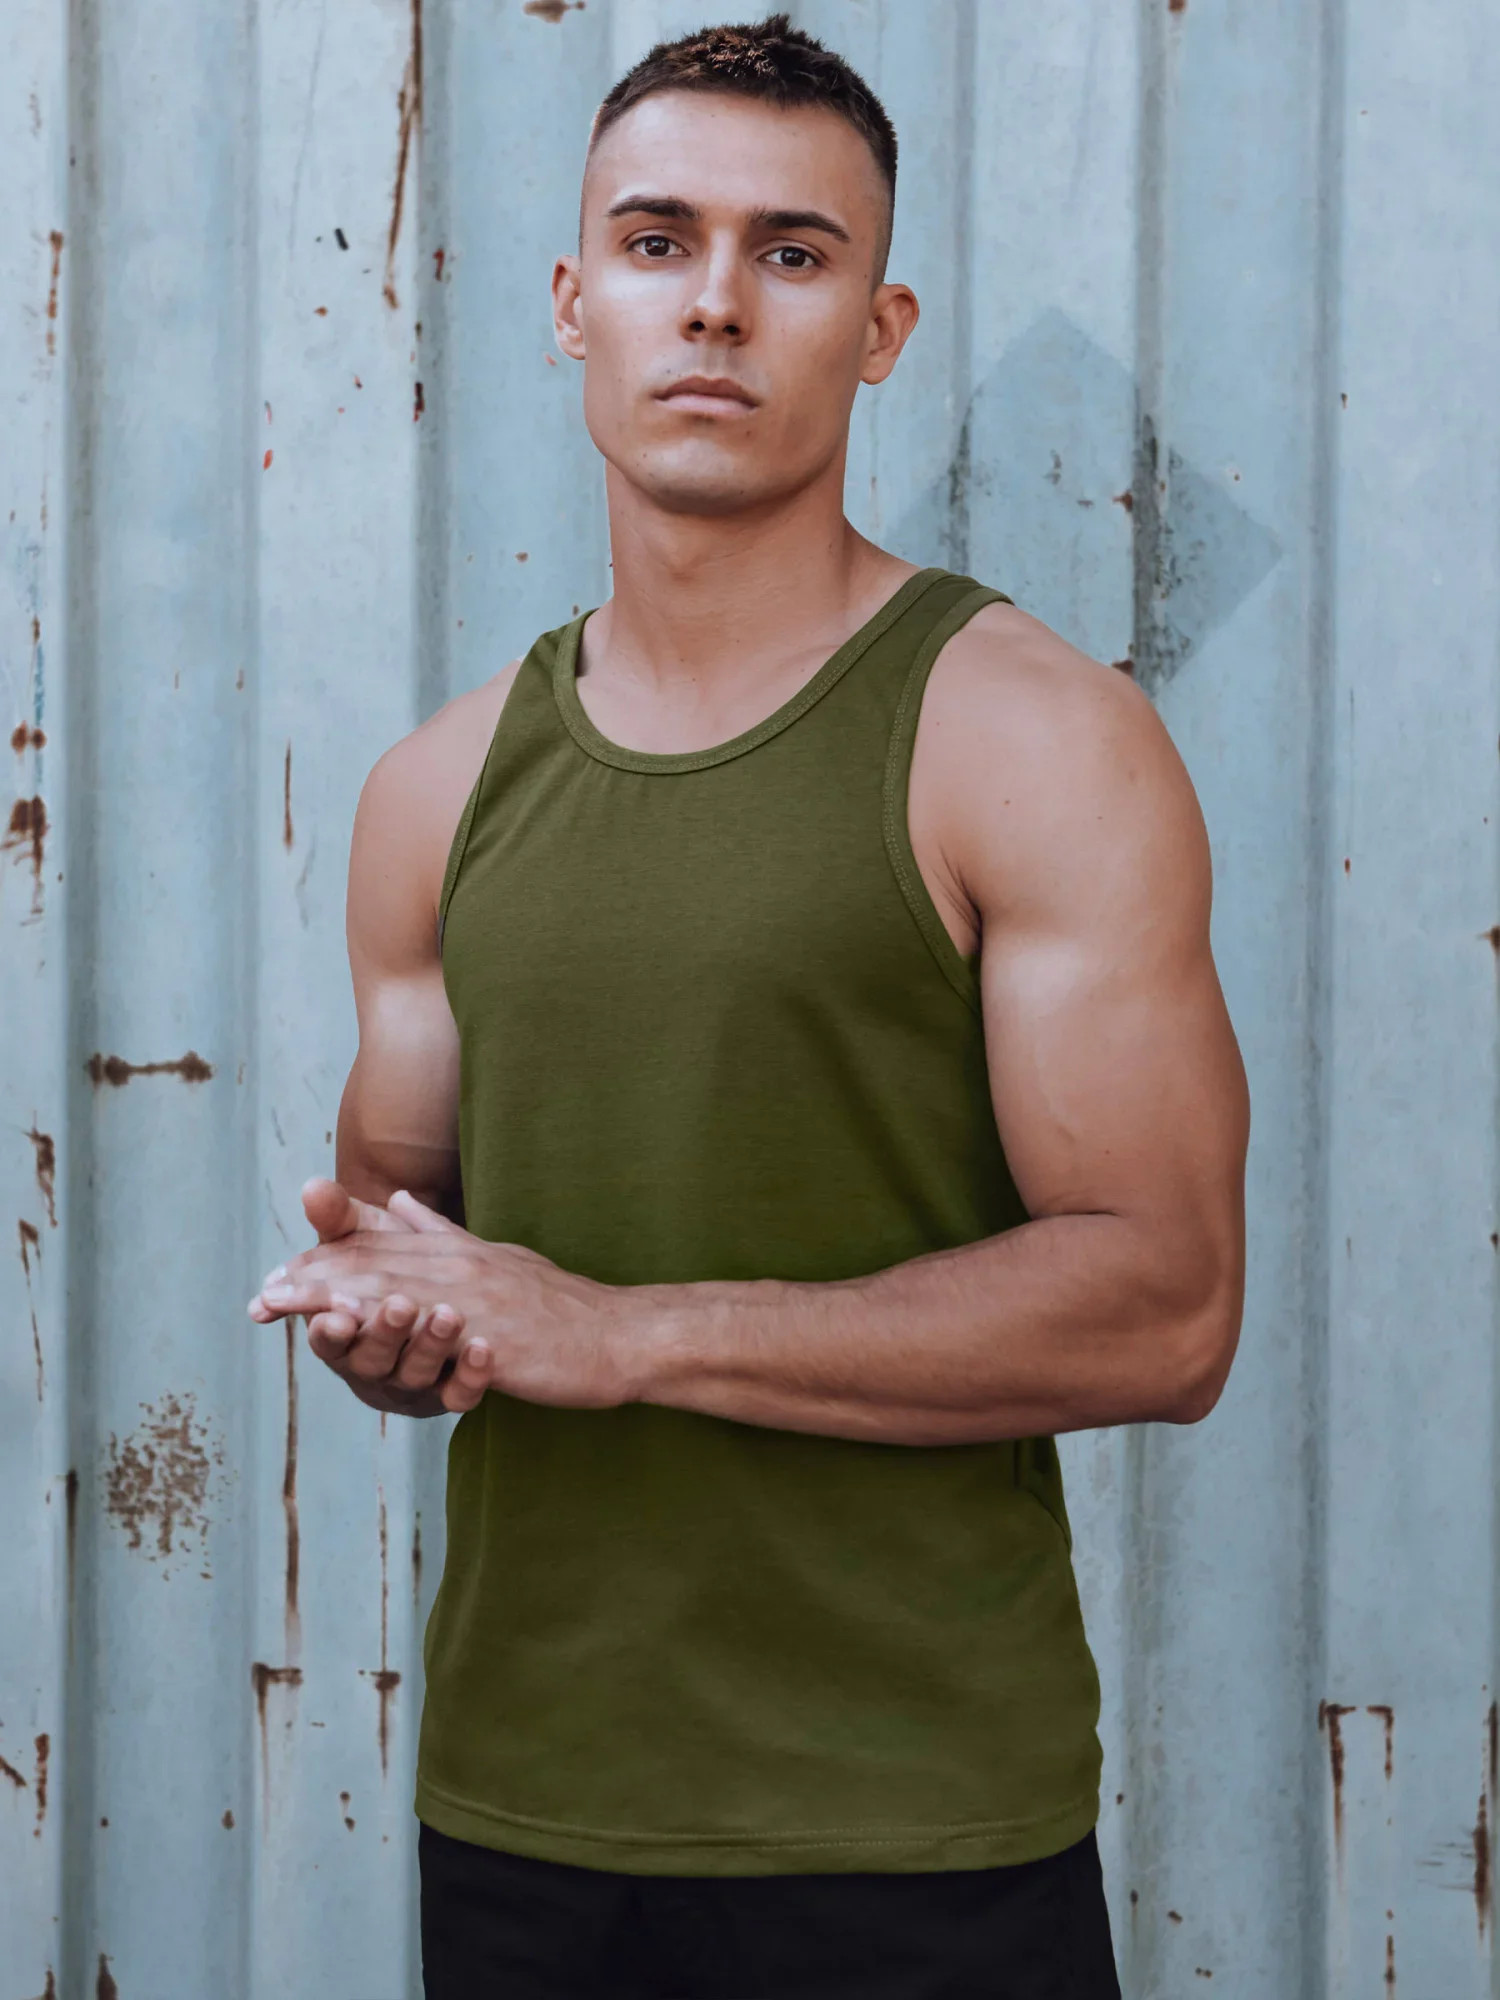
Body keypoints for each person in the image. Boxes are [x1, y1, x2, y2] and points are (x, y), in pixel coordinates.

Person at [249, 14, 1250, 1996]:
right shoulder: (435, 790)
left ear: (880, 330)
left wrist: (628, 1333)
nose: (715, 302)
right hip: (529, 1809)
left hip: (912, 1823)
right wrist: (390, 1328)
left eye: (791, 254)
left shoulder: (1031, 739)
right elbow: (424, 1268)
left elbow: (1167, 1306)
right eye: (657, 242)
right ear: (573, 302)